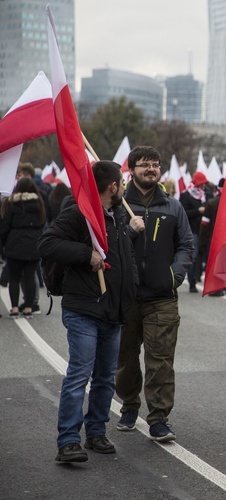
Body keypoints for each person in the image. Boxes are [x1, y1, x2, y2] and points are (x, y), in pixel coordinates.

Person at [38, 161, 137, 463]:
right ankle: (68, 440)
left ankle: (96, 432)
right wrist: (85, 254)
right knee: (80, 374)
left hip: (113, 310)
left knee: (106, 377)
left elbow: (121, 258)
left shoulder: (118, 214)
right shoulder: (79, 212)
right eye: (121, 182)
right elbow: (48, 243)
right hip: (84, 308)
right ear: (112, 186)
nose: (123, 187)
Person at [115, 146, 193, 442]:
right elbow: (109, 242)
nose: (151, 169)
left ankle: (159, 417)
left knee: (160, 360)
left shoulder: (172, 206)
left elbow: (187, 244)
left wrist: (174, 275)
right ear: (131, 169)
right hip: (126, 296)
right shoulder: (118, 206)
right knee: (125, 359)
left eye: (156, 164)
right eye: (145, 164)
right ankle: (129, 404)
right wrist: (131, 231)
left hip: (162, 298)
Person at [0, 177, 45, 318]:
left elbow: (4, 226)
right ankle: (28, 308)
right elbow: (43, 222)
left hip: (15, 243)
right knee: (30, 277)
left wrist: (4, 244)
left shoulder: (11, 203)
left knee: (14, 278)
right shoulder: (39, 203)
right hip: (34, 243)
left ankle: (14, 308)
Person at [180, 171, 209, 293]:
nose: (202, 187)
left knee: (199, 255)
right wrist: (198, 210)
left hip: (204, 230)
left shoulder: (205, 195)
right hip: (192, 230)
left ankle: (196, 276)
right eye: (200, 184)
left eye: (204, 184)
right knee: (194, 255)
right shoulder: (186, 196)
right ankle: (192, 281)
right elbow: (183, 213)